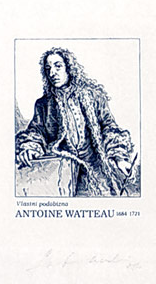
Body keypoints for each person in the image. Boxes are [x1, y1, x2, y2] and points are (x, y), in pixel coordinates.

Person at [15, 47, 139, 196]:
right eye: (48, 69)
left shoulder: (93, 96)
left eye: (58, 66)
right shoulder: (43, 104)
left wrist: (119, 158)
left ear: (69, 68)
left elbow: (109, 127)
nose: (52, 72)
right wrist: (30, 147)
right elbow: (36, 131)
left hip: (96, 168)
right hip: (64, 171)